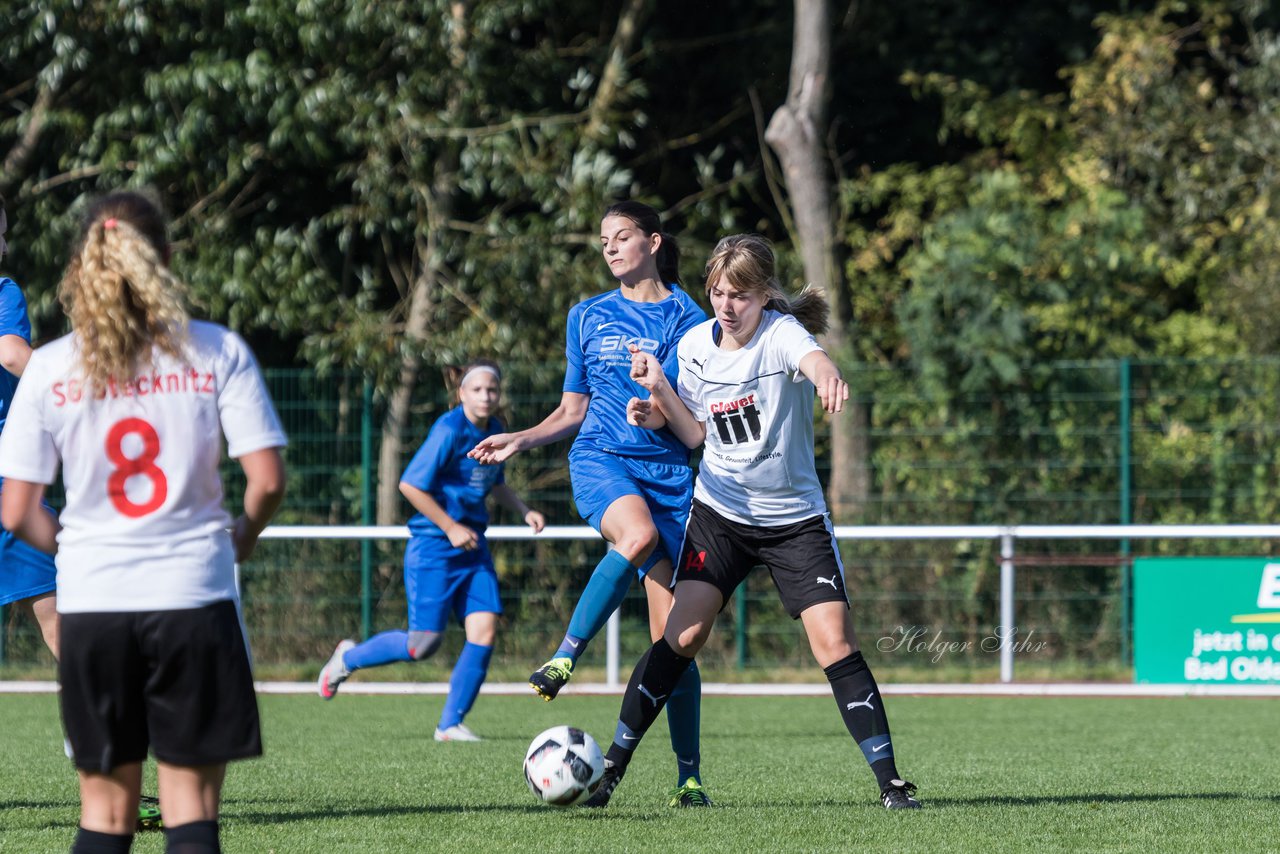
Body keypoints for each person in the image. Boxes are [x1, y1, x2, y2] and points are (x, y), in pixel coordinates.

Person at [585, 234, 921, 810]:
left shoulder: (782, 334)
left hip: (795, 522)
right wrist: (654, 408)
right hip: (721, 516)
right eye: (717, 292)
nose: (726, 305)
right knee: (682, 636)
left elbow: (812, 357)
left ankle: (891, 784)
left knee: (833, 642)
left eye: (739, 294)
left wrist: (825, 374)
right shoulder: (693, 346)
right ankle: (610, 770)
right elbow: (693, 433)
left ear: (765, 295)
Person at [0, 190, 288, 853]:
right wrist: (241, 537)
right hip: (193, 595)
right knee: (189, 813)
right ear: (163, 258)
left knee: (104, 820)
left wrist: (74, 549)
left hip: (94, 605)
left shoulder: (50, 367)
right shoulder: (215, 349)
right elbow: (267, 480)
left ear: (81, 266)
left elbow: (15, 508)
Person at [469, 201, 712, 806]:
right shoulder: (587, 315)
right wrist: (521, 438)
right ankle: (564, 657)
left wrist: (652, 410)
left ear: (652, 242)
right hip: (602, 461)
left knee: (675, 645)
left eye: (621, 237)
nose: (608, 248)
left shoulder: (690, 318)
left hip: (669, 478)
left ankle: (689, 779)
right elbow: (573, 412)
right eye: (603, 239)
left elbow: (681, 412)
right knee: (636, 538)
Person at [317, 359, 545, 741]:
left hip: (473, 547)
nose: (486, 396)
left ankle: (450, 724)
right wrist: (450, 527)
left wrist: (524, 509)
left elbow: (496, 482)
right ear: (462, 394)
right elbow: (410, 485)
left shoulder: (498, 430)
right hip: (435, 547)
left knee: (484, 630)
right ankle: (347, 658)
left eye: (492, 389)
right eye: (477, 390)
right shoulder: (448, 430)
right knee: (422, 644)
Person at [0, 191, 59, 662]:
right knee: (62, 609)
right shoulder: (3, 291)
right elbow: (12, 355)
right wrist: (71, 385)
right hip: (7, 482)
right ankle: (109, 726)